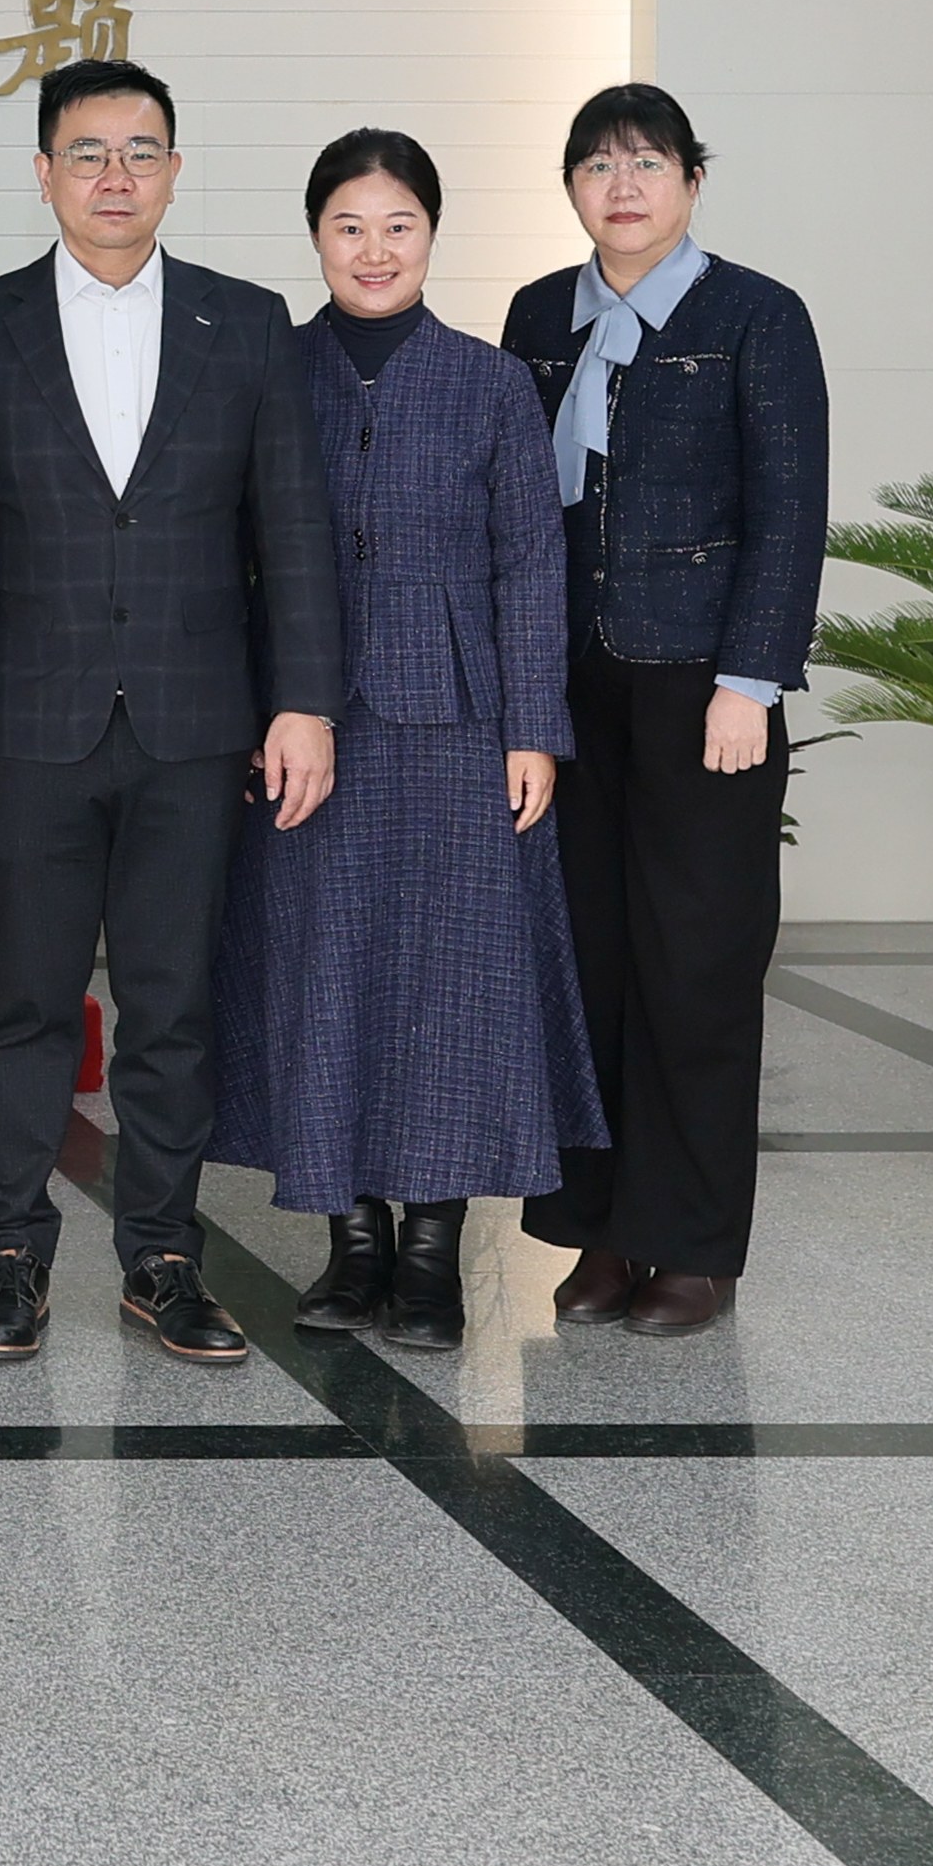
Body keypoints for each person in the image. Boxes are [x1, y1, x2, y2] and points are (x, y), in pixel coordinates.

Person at [0, 57, 341, 1367]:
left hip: (195, 721)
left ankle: (162, 1255)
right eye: (88, 152)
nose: (115, 176)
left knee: (171, 1008)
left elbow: (294, 533)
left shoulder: (247, 323)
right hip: (30, 723)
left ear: (174, 170)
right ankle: (7, 1255)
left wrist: (304, 703)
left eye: (141, 151)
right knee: (27, 1007)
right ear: (43, 172)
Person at [209, 130, 605, 1354]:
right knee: (324, 974)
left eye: (396, 227)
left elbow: (531, 565)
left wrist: (532, 730)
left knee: (448, 985)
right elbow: (225, 557)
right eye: (347, 226)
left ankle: (430, 1251)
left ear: (430, 236)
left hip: (456, 725)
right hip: (302, 727)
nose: (372, 250)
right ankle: (349, 1243)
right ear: (313, 236)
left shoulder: (487, 381)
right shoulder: (269, 370)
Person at [504, 84, 826, 1338]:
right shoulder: (539, 313)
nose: (620, 185)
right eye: (595, 164)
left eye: (646, 162)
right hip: (572, 688)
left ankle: (688, 1247)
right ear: (570, 185)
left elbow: (788, 508)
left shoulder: (756, 313)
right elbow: (512, 508)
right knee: (585, 964)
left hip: (703, 693)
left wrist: (749, 679)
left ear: (690, 179)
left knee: (694, 968)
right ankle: (598, 1233)